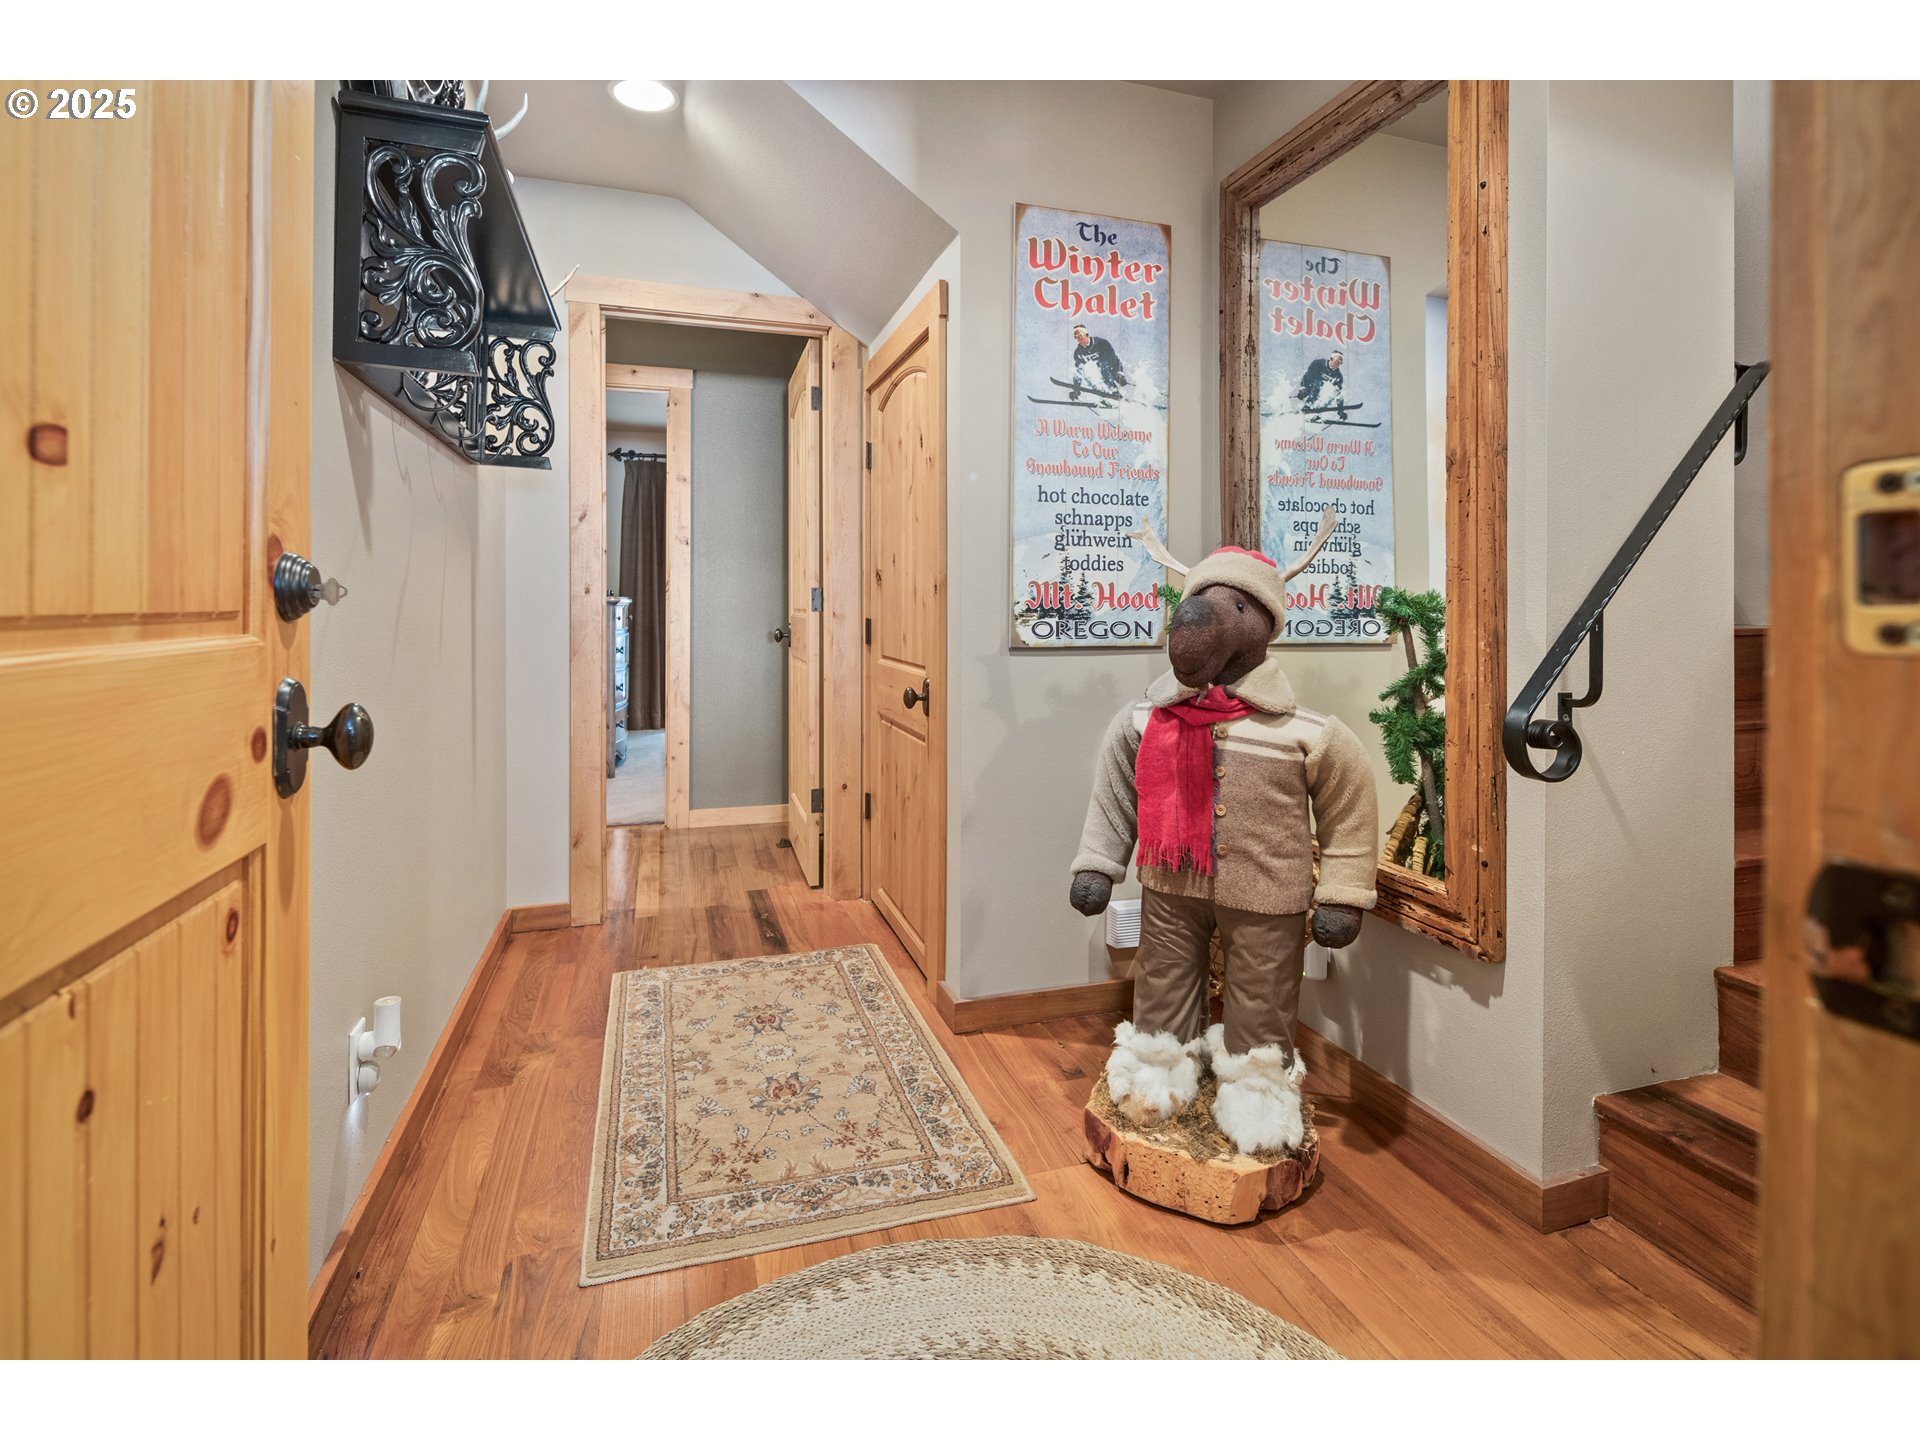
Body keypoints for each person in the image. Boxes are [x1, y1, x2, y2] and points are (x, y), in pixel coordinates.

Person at [1072, 324, 1128, 392]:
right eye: (1077, 337)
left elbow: (1113, 359)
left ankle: (1113, 390)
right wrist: (1076, 388)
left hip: (1111, 368)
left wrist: (1119, 373)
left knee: (1103, 366)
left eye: (1081, 336)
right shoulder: (1078, 353)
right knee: (1088, 371)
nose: (1080, 339)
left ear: (1087, 334)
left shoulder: (1101, 343)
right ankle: (1101, 393)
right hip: (1098, 375)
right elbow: (1079, 370)